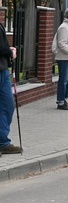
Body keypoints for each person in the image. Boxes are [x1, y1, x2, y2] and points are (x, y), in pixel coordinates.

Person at [0, 20, 23, 155]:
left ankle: (3, 142)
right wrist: (9, 51)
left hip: (2, 69)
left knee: (7, 105)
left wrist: (9, 51)